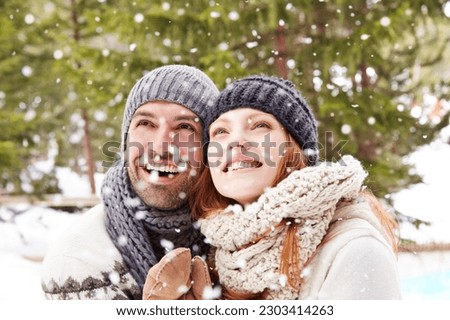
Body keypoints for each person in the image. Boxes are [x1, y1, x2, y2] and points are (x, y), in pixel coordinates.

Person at [143, 75, 402, 300]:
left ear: (294, 149)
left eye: (259, 126)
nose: (235, 141)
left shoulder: (352, 250)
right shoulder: (218, 257)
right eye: (221, 132)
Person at [40, 65, 219, 299]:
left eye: (185, 127)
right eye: (146, 124)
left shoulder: (238, 238)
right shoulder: (77, 262)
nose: (161, 146)